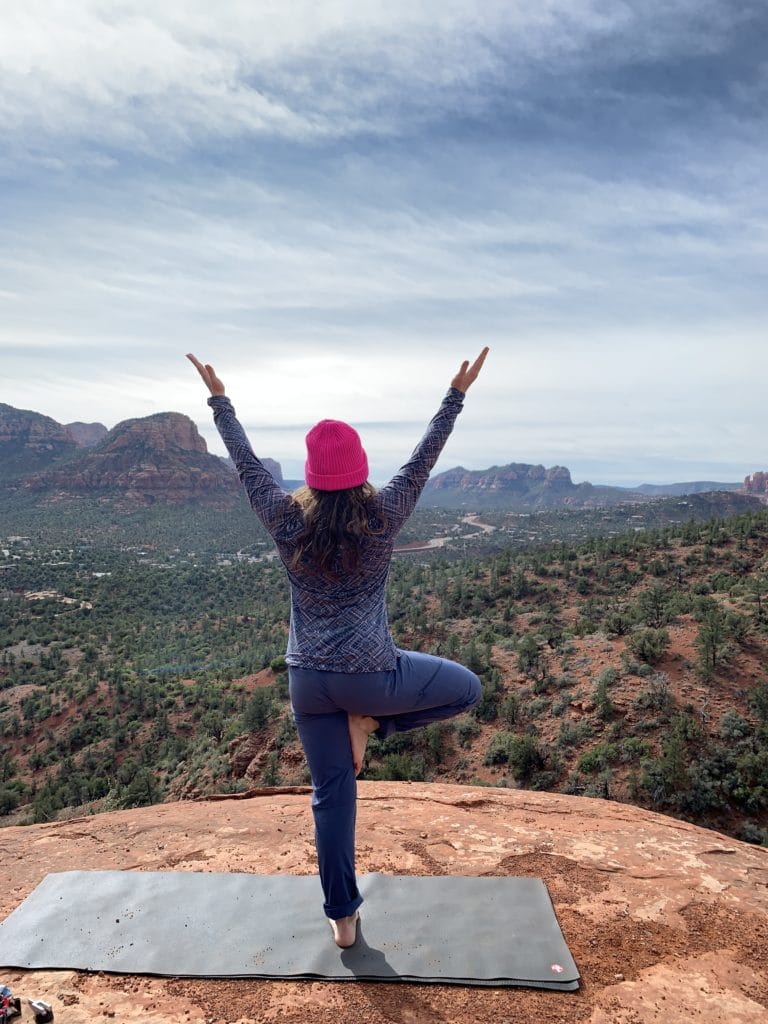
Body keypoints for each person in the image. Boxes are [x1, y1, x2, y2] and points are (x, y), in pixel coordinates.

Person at [188, 347, 489, 948]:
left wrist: (220, 401)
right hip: (372, 676)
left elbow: (247, 466)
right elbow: (423, 460)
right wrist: (455, 394)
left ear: (309, 473)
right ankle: (372, 725)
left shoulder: (285, 521)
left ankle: (343, 922)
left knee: (331, 797)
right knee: (469, 687)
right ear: (358, 469)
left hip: (308, 682)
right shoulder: (382, 518)